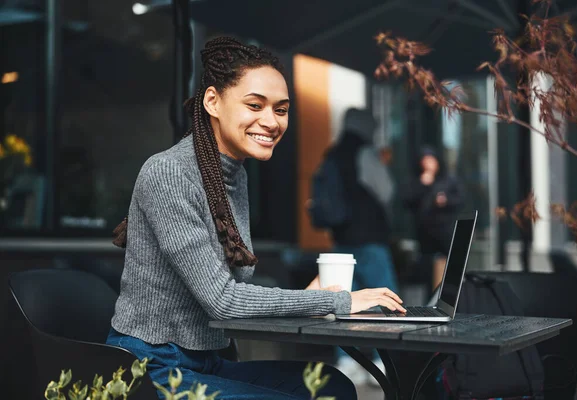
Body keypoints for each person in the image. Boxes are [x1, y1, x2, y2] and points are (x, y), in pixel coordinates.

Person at [106, 37, 405, 400]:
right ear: (212, 101)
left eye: (281, 109)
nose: (271, 121)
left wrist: (306, 299)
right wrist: (336, 302)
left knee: (333, 385)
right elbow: (222, 301)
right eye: (255, 105)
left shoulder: (234, 173)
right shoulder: (169, 173)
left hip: (207, 360)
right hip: (152, 366)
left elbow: (229, 288)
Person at [320, 108, 400, 385]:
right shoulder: (365, 153)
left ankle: (346, 361)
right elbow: (387, 190)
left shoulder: (332, 154)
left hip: (342, 240)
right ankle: (383, 362)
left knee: (341, 301)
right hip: (370, 239)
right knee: (386, 300)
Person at [403, 146, 464, 292]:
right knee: (426, 269)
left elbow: (460, 200)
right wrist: (423, 185)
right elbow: (407, 201)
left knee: (447, 267)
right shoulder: (416, 181)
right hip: (425, 233)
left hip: (445, 231)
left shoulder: (448, 179)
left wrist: (445, 201)